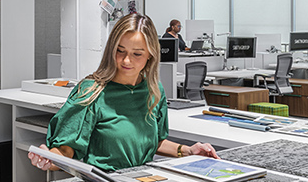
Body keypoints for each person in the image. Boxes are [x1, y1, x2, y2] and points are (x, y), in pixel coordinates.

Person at [29, 14, 218, 172]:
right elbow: (65, 151)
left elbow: (156, 143)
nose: (126, 60)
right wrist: (47, 158)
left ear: (150, 55)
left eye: (137, 54)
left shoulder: (154, 90)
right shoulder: (91, 91)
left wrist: (188, 151)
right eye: (120, 51)